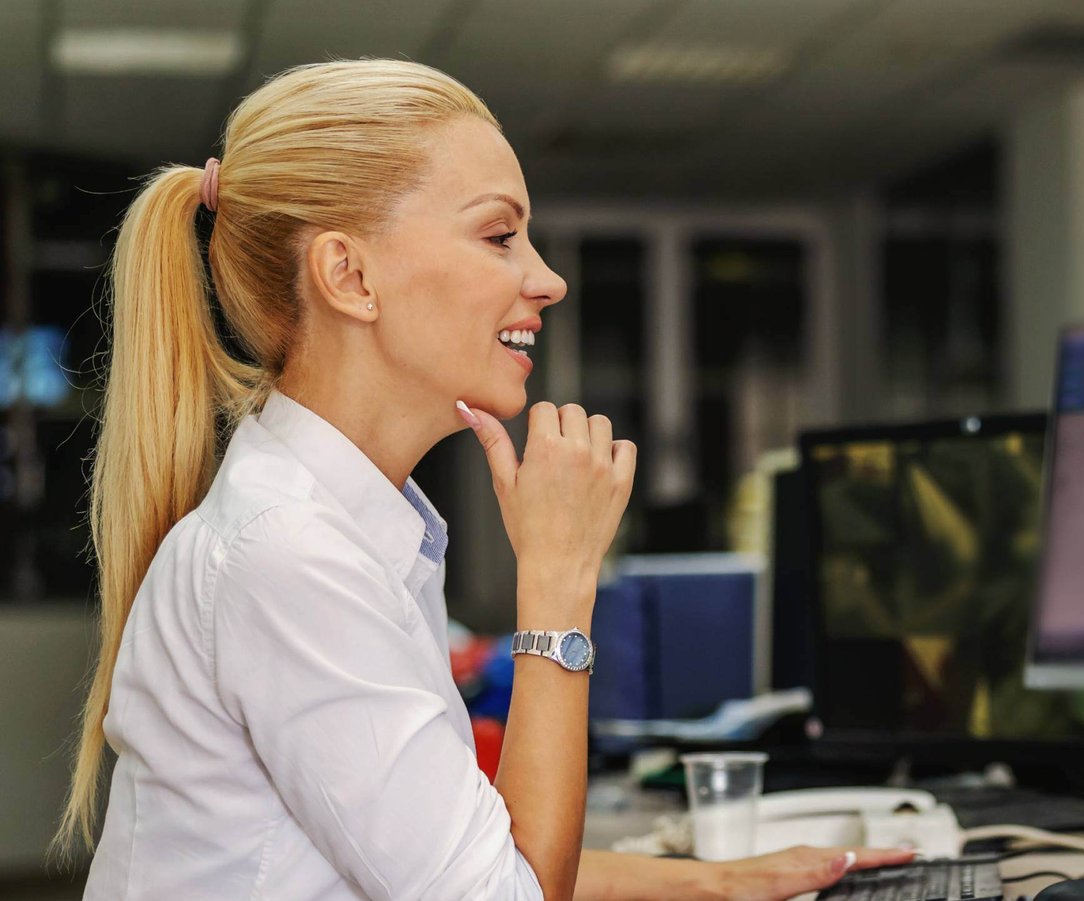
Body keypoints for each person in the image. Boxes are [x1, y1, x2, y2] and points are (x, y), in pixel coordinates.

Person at [59, 59, 913, 900]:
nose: (548, 279)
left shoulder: (359, 529)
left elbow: (466, 851)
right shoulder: (286, 556)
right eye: (500, 235)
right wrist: (556, 578)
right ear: (350, 276)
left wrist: (716, 884)